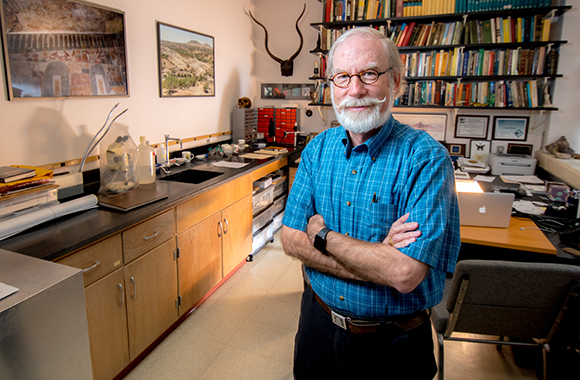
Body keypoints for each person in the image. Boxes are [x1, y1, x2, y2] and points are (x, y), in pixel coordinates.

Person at [281, 27, 461, 379]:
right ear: (331, 85)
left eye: (369, 73)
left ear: (395, 81)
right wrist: (377, 260)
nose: (355, 89)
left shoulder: (426, 159)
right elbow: (289, 238)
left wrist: (323, 236)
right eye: (342, 77)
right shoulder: (318, 149)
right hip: (317, 327)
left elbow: (405, 273)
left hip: (393, 344)